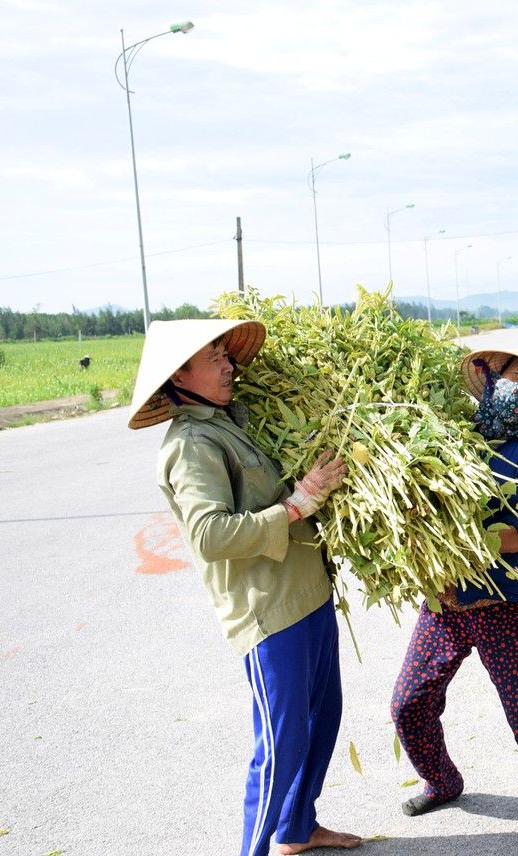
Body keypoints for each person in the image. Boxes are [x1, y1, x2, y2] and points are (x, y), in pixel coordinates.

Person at [128, 319, 362, 856]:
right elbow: (209, 535)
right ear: (178, 376)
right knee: (281, 742)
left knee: (321, 720)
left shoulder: (236, 421)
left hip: (309, 591)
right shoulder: (191, 445)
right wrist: (297, 505)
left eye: (226, 356)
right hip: (267, 610)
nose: (229, 365)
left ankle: (297, 829)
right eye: (214, 358)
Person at [390, 347, 518, 846]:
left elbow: (513, 537)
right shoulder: (452, 436)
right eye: (516, 375)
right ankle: (441, 780)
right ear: (494, 376)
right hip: (447, 601)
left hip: (508, 607)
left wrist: (448, 526)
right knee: (409, 703)